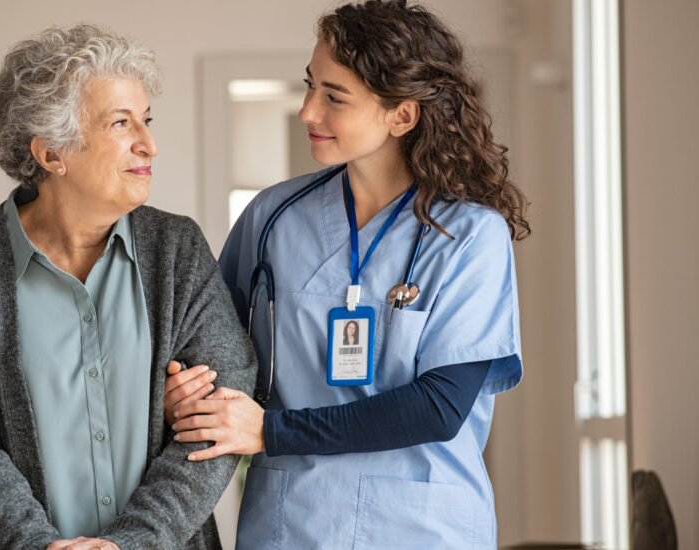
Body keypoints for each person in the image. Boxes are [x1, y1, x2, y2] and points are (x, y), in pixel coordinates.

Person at [163, 1, 529, 547]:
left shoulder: (470, 236)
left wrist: (269, 431)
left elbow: (439, 406)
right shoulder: (272, 218)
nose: (308, 112)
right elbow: (210, 353)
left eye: (334, 97)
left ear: (401, 115)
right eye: (311, 86)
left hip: (420, 527)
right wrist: (185, 393)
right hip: (290, 524)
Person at [0, 24, 255, 550]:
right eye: (121, 122)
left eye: (146, 119)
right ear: (51, 153)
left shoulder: (177, 250)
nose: (149, 143)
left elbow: (220, 417)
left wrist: (133, 543)